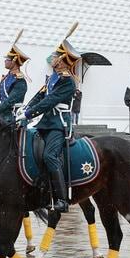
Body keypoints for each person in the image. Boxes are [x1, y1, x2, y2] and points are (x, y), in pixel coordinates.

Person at [25, 40, 79, 213]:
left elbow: (50, 101)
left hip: (58, 124)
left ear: (63, 60)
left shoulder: (68, 81)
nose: (53, 58)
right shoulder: (52, 78)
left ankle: (62, 200)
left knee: (49, 156)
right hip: (46, 123)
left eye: (56, 56)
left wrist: (29, 114)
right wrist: (26, 108)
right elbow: (40, 96)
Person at [0, 45, 28, 125]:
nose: (5, 61)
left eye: (7, 59)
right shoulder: (6, 78)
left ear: (14, 61)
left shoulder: (20, 81)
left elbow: (8, 102)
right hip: (2, 114)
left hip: (11, 117)